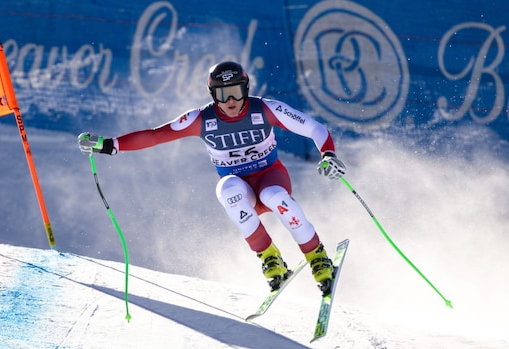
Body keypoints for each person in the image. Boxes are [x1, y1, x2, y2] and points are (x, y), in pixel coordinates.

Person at [78, 61, 346, 294]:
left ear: (246, 89)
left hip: (270, 177)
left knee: (274, 197)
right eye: (223, 94)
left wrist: (328, 154)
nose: (231, 101)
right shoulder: (200, 118)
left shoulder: (265, 109)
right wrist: (109, 144)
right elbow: (156, 135)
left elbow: (314, 128)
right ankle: (269, 256)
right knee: (227, 190)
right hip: (240, 186)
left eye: (236, 92)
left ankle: (317, 257)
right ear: (213, 94)